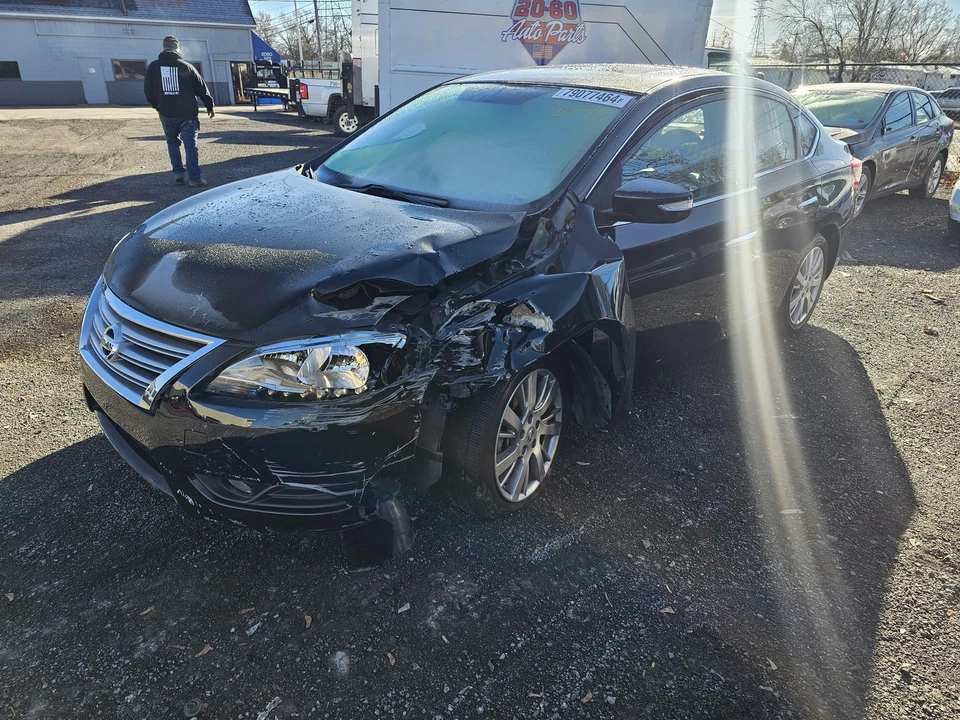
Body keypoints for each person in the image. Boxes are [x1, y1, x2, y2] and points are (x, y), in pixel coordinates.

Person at [144, 36, 215, 188]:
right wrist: (209, 106)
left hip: (166, 113)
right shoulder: (187, 67)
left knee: (172, 142)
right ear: (177, 49)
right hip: (187, 114)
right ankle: (195, 179)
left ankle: (178, 174)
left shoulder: (153, 67)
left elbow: (148, 91)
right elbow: (202, 89)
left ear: (163, 48)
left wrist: (156, 106)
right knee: (191, 146)